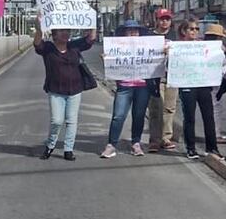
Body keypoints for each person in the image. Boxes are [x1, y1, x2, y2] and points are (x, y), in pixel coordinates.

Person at [33, 20, 96, 160]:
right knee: (56, 120)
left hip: (75, 90)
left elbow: (90, 39)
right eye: (61, 31)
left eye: (67, 31)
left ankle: (68, 149)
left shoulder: (74, 46)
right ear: (54, 34)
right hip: (55, 90)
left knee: (71, 120)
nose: (65, 33)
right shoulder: (48, 48)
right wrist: (39, 28)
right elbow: (37, 44)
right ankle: (50, 145)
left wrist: (92, 22)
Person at [101, 19, 156, 158]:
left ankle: (136, 144)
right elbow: (113, 64)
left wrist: (166, 51)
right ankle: (111, 145)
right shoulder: (118, 48)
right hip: (124, 87)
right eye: (130, 31)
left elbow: (160, 53)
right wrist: (107, 59)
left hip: (142, 87)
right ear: (124, 33)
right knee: (118, 116)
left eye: (135, 31)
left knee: (139, 116)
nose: (133, 33)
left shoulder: (146, 47)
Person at [170, 19, 222, 159]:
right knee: (189, 118)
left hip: (204, 84)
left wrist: (220, 52)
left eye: (197, 29)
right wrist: (167, 53)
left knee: (208, 116)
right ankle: (191, 148)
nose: (194, 32)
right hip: (187, 85)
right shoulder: (177, 47)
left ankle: (212, 147)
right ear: (184, 31)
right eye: (191, 29)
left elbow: (216, 60)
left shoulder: (203, 45)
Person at [147, 8, 178, 152]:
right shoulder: (149, 36)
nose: (164, 21)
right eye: (162, 19)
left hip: (172, 76)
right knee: (155, 108)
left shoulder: (175, 36)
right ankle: (154, 140)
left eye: (167, 19)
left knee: (169, 108)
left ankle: (166, 138)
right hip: (155, 77)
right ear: (157, 20)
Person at [204, 23, 226, 143]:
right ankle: (215, 134)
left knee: (214, 107)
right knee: (215, 107)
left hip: (210, 79)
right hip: (213, 80)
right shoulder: (217, 48)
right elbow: (223, 62)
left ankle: (215, 133)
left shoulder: (203, 46)